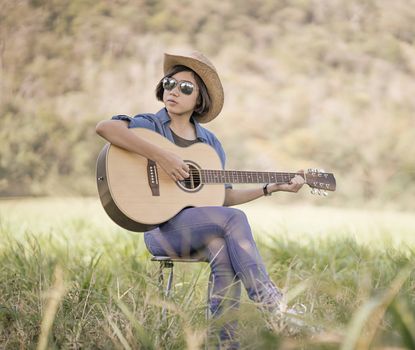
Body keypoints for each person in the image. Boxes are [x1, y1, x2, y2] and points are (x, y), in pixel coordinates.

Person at [96, 51, 305, 348]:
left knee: (222, 247)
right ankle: (272, 305)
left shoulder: (209, 144)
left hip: (197, 227)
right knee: (235, 221)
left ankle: (226, 344)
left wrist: (270, 188)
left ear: (199, 99)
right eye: (169, 83)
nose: (173, 91)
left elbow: (222, 197)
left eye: (185, 88)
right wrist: (162, 156)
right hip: (158, 229)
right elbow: (106, 128)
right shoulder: (150, 125)